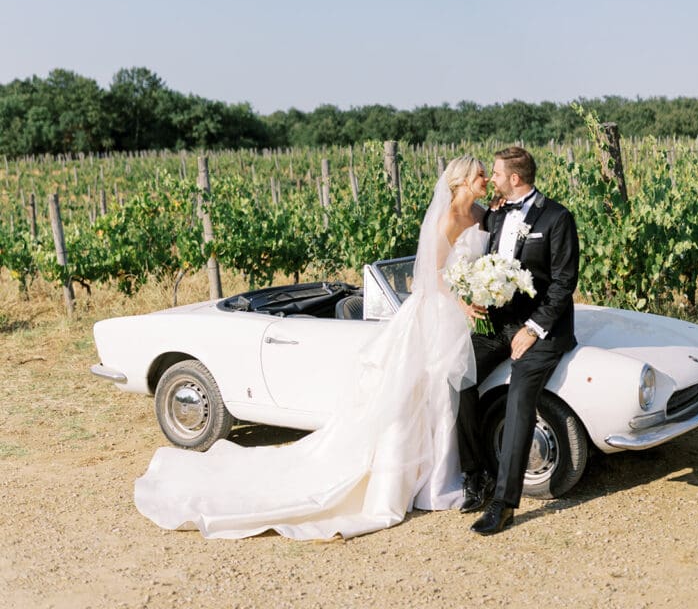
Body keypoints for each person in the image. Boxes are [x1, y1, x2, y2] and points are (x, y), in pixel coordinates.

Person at [134, 156, 490, 540]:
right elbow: (432, 275)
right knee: (429, 391)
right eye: (480, 174)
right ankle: (435, 478)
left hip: (462, 309)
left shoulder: (482, 212)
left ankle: (459, 469)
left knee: (446, 390)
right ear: (462, 181)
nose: (486, 179)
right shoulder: (448, 219)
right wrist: (463, 302)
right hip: (440, 311)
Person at [456, 145, 579, 535]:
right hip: (498, 324)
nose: (491, 179)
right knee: (456, 374)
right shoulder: (494, 213)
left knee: (519, 395)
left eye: (495, 173)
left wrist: (533, 329)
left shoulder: (558, 218)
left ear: (515, 178)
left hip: (541, 329)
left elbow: (563, 283)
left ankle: (504, 505)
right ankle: (476, 474)